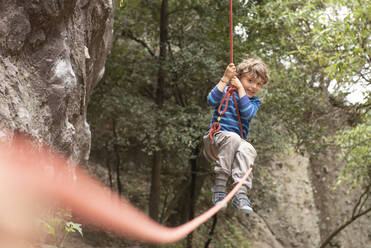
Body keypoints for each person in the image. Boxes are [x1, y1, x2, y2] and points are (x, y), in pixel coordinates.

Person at [203, 57, 269, 214]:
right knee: (233, 138)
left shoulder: (254, 102)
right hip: (215, 142)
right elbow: (211, 100)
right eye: (250, 80)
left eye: (258, 84)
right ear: (239, 78)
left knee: (248, 148)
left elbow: (246, 114)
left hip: (234, 145)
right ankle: (219, 187)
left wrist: (241, 89)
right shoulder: (226, 92)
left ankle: (240, 192)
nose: (253, 86)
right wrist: (226, 79)